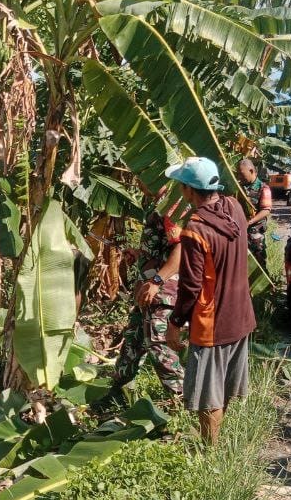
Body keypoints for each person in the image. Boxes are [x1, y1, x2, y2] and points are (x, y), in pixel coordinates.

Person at [164, 157, 256, 445]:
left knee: (208, 394)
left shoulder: (195, 230)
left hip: (212, 323)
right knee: (223, 387)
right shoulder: (235, 208)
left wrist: (175, 322)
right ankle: (213, 442)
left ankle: (210, 453)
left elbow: (190, 286)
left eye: (182, 186)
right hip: (241, 315)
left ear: (189, 190)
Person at [104, 204, 184, 406]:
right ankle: (117, 394)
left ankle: (182, 399)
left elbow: (182, 248)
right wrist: (140, 254)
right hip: (145, 293)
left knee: (159, 346)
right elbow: (160, 250)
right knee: (133, 340)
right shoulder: (152, 207)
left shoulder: (171, 205)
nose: (139, 182)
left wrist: (157, 281)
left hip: (162, 292)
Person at [235, 158, 272, 269]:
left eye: (242, 174)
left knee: (259, 263)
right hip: (240, 231)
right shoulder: (239, 187)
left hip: (255, 233)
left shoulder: (263, 188)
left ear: (251, 171)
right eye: (238, 174)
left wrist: (249, 222)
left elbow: (266, 210)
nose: (240, 177)